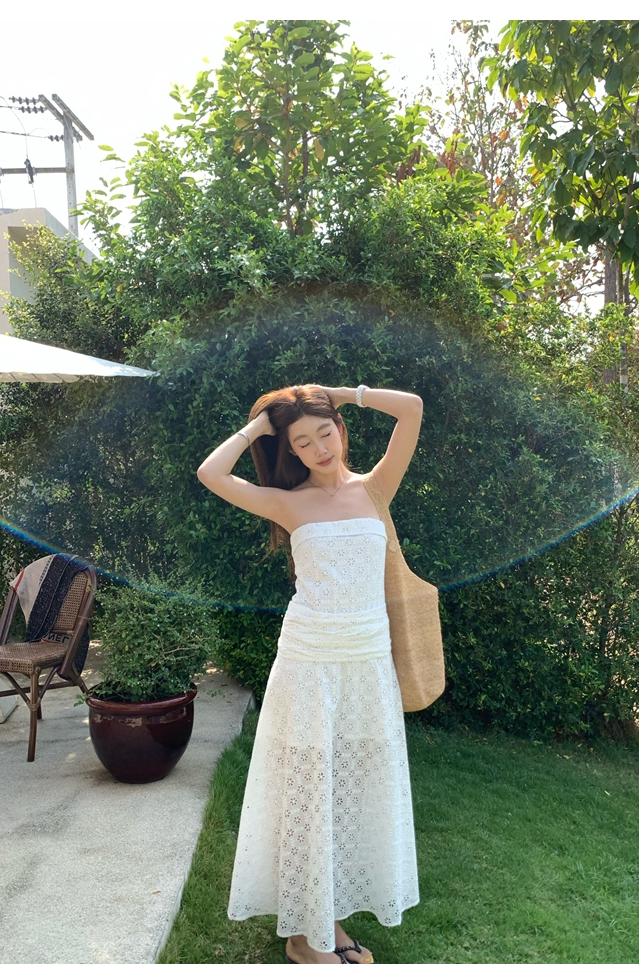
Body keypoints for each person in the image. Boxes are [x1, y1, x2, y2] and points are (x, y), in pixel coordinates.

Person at [197, 383, 423, 964]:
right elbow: (211, 474)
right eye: (302, 442)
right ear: (291, 451)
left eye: (325, 433)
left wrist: (344, 394)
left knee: (351, 789)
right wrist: (260, 427)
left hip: (367, 663)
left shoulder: (375, 488)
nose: (319, 448)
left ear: (341, 432)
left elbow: (412, 409)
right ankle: (303, 940)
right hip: (308, 663)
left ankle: (329, 924)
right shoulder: (287, 503)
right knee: (307, 793)